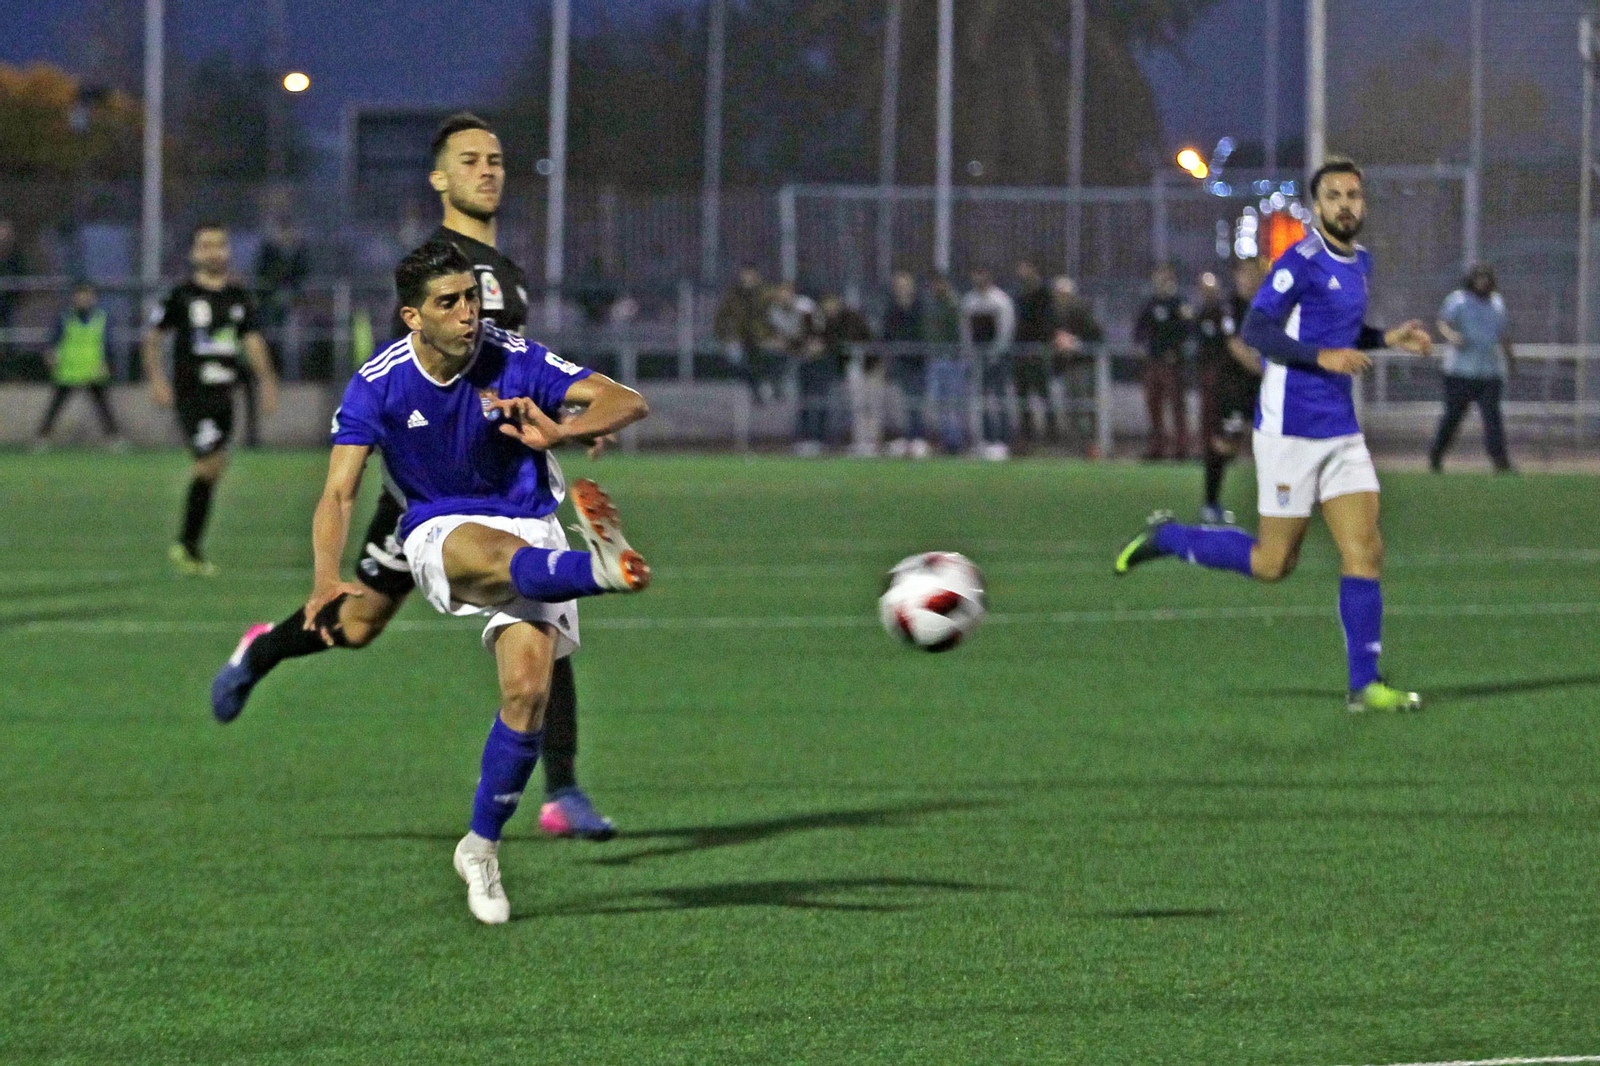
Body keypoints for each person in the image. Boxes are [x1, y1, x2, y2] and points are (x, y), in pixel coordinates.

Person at [210, 113, 621, 841]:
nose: (488, 171)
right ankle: (262, 649)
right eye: (469, 161)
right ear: (440, 179)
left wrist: (572, 418)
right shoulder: (443, 266)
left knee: (539, 611)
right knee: (361, 625)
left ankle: (561, 789)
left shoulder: (508, 274)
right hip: (425, 496)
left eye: (496, 159)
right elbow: (425, 379)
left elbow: (519, 373)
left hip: (501, 483)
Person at [303, 241, 649, 923]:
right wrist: (324, 577)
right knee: (487, 550)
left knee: (526, 694)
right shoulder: (379, 382)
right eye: (449, 302)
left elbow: (627, 400)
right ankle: (597, 570)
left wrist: (566, 428)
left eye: (471, 297)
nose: (470, 313)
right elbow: (340, 493)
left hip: (531, 526)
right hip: (439, 527)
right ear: (412, 316)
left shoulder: (511, 356)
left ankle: (480, 848)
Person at [1114, 158, 1435, 714]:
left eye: (1353, 196)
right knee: (1272, 564)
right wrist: (1322, 357)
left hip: (1340, 432)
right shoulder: (1300, 261)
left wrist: (1387, 337)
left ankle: (1365, 685)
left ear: (1363, 204)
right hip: (1290, 429)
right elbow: (1259, 329)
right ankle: (1169, 538)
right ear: (1317, 207)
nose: (1344, 205)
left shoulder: (1360, 262)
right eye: (1332, 195)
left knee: (1366, 551)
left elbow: (1340, 329)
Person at [142, 222, 280, 576]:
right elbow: (153, 338)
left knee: (214, 467)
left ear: (227, 251)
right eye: (205, 245)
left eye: (219, 245)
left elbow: (252, 340)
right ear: (194, 253)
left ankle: (189, 547)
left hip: (225, 395)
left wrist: (266, 381)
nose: (213, 252)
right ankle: (186, 545)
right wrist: (157, 380)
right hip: (192, 395)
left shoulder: (238, 297)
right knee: (209, 463)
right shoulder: (180, 295)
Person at [1194, 262, 1264, 522]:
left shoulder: (1267, 308)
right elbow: (1236, 347)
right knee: (1225, 444)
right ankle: (1210, 503)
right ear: (1236, 277)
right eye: (1244, 274)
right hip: (1234, 387)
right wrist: (1268, 372)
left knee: (1275, 444)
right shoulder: (1228, 309)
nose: (1249, 280)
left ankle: (1282, 502)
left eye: (1255, 275)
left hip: (1260, 389)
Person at [1429, 264, 1515, 473]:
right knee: (1453, 417)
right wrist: (1452, 336)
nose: (1482, 282)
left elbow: (1503, 335)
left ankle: (1500, 462)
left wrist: (1510, 360)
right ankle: (1436, 456)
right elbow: (1442, 323)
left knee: (1492, 418)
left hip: (1489, 372)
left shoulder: (1496, 303)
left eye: (1486, 278)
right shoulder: (1458, 301)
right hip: (1460, 372)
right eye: (1478, 278)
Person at [33, 281, 126, 450]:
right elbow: (53, 341)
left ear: (93, 298)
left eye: (87, 296)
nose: (84, 299)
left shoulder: (101, 318)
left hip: (93, 369)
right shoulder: (64, 317)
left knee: (103, 406)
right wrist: (50, 356)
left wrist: (106, 363)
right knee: (56, 406)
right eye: (80, 296)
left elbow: (107, 343)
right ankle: (42, 437)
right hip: (69, 370)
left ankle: (114, 438)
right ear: (74, 298)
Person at [1132, 263, 1191, 460]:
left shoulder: (1179, 304)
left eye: (1165, 278)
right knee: (1154, 406)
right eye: (1158, 278)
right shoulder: (1150, 304)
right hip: (1154, 362)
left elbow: (1187, 331)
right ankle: (1157, 447)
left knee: (1177, 406)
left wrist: (1177, 352)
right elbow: (1139, 330)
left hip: (1173, 364)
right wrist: (1141, 348)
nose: (1161, 282)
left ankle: (1181, 448)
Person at [960, 268, 1016, 460]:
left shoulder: (1000, 300)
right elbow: (966, 330)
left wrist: (995, 353)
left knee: (999, 398)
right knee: (982, 399)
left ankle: (1002, 441)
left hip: (997, 358)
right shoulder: (969, 301)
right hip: (977, 357)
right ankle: (985, 439)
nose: (978, 278)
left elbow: (1006, 330)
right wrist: (970, 353)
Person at [1047, 275, 1103, 455]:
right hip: (1066, 365)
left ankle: (1090, 444)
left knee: (1085, 404)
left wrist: (1075, 343)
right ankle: (1075, 444)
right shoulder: (1055, 313)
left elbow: (1096, 335)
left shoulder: (1081, 310)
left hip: (1082, 364)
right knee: (1070, 405)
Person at [880, 270, 931, 458]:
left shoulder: (920, 306)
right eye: (898, 285)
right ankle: (909, 437)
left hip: (918, 361)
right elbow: (886, 333)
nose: (901, 288)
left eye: (905, 284)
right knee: (905, 402)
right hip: (900, 361)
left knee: (916, 401)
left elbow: (924, 332)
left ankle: (917, 438)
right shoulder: (892, 308)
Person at [713, 265, 775, 402]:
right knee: (739, 363)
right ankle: (758, 389)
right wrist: (723, 336)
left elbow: (769, 315)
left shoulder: (764, 294)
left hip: (759, 337)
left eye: (750, 275)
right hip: (738, 337)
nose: (747, 278)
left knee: (759, 363)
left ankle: (767, 387)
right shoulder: (733, 295)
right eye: (745, 275)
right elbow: (721, 316)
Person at [1011, 259, 1055, 448]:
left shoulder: (1044, 294)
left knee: (1043, 393)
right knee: (1022, 394)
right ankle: (1026, 434)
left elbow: (1046, 323)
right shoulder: (1019, 295)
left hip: (1037, 351)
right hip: (1021, 351)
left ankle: (1052, 433)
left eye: (1024, 268)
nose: (1020, 272)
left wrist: (1041, 345)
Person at [923, 272, 966, 454]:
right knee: (940, 402)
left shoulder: (953, 304)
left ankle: (954, 441)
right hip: (936, 357)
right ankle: (946, 439)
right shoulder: (932, 305)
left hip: (952, 359)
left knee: (952, 402)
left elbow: (957, 333)